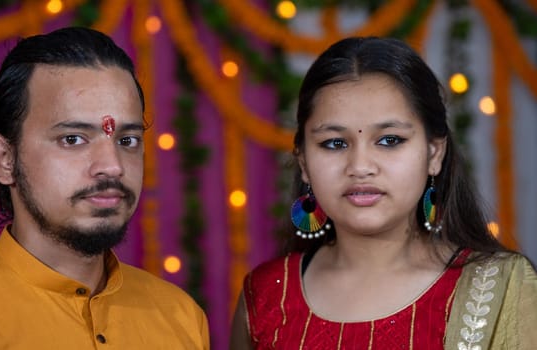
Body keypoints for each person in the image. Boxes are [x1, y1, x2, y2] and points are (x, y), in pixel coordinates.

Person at [230, 36, 537, 349]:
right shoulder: (266, 296)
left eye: (390, 140)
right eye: (335, 143)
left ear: (434, 154)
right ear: (304, 163)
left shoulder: (498, 288)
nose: (360, 166)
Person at [0, 27, 209, 349]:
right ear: (4, 159)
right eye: (73, 139)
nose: (113, 166)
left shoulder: (181, 317)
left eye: (127, 140)